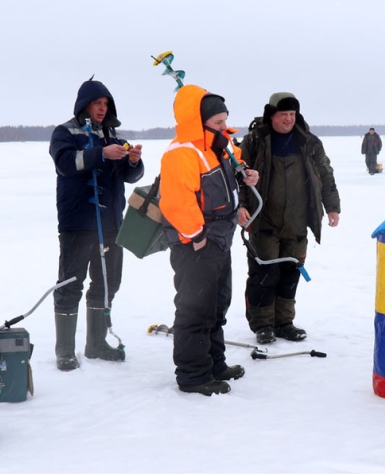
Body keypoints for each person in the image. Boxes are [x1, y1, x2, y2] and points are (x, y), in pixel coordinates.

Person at [159, 85, 258, 396]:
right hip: (196, 242)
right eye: (217, 122)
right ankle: (193, 375)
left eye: (224, 120)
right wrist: (196, 236)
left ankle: (214, 363)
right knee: (195, 308)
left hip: (219, 238)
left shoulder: (217, 147)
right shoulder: (182, 153)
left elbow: (234, 167)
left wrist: (247, 176)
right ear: (199, 122)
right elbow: (176, 202)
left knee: (217, 304)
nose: (223, 126)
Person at [49, 78, 144, 371]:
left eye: (106, 104)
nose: (102, 109)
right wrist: (100, 154)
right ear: (84, 105)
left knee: (107, 282)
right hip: (78, 222)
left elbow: (130, 177)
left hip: (112, 223)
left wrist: (133, 162)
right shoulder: (65, 133)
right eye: (97, 103)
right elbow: (64, 163)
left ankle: (96, 343)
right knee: (70, 283)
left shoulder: (113, 137)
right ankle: (65, 349)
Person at [239, 92, 341, 344]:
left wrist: (332, 206)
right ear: (271, 115)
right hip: (264, 219)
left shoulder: (309, 142)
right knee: (264, 272)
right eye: (283, 115)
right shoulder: (254, 141)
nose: (288, 120)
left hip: (298, 219)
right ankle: (262, 324)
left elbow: (325, 174)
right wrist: (240, 206)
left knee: (290, 272)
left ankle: (284, 322)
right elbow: (237, 176)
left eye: (292, 115)